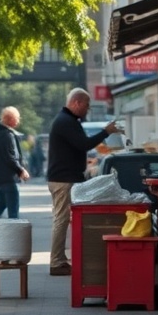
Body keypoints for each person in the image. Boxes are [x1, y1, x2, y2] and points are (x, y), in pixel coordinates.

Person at [46, 88, 123, 275]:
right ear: (76, 102)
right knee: (61, 219)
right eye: (87, 105)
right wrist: (106, 131)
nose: (87, 110)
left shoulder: (68, 120)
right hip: (63, 179)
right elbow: (84, 144)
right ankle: (56, 262)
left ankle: (61, 259)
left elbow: (78, 146)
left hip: (66, 177)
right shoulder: (66, 122)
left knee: (64, 219)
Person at [0, 106, 30, 240]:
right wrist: (21, 170)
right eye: (17, 118)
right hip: (9, 179)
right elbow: (10, 157)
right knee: (13, 211)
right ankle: (14, 238)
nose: (18, 121)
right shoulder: (7, 135)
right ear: (9, 119)